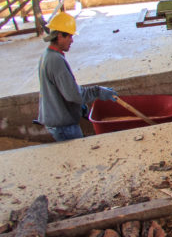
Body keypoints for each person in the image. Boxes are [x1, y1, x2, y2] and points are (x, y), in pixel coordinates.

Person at [37, 11, 118, 142]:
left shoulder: (48, 55)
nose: (72, 40)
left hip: (59, 121)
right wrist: (97, 91)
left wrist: (78, 106)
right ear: (59, 36)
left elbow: (63, 89)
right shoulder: (56, 61)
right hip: (63, 125)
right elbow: (73, 95)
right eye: (69, 36)